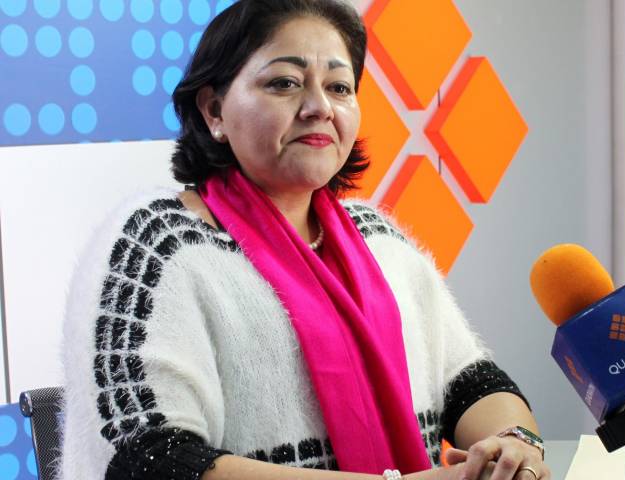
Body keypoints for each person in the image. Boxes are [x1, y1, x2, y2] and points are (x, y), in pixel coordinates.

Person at [60, 1, 551, 479]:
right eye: (285, 83)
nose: (320, 108)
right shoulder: (155, 245)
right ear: (214, 110)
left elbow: (471, 381)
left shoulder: (379, 238)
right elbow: (149, 460)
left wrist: (512, 446)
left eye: (339, 87)